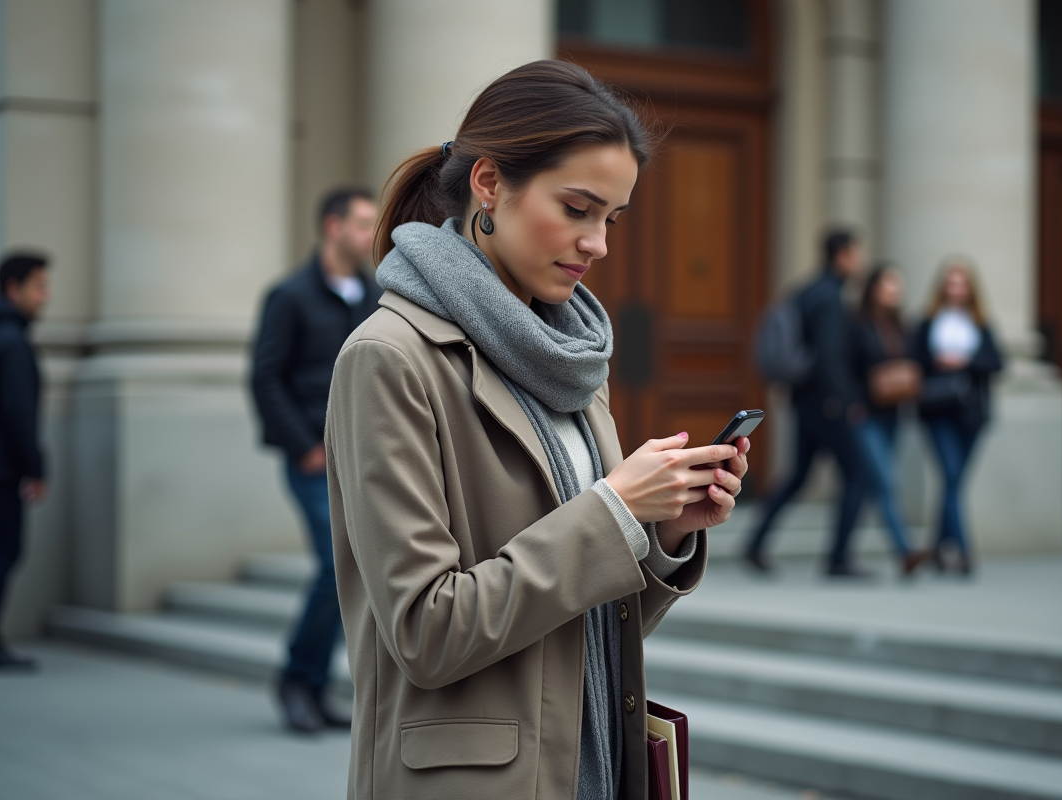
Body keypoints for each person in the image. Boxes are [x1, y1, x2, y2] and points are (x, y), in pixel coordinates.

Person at [325, 60, 750, 799]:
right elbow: (428, 633)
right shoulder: (387, 358)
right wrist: (613, 512)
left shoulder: (570, 361)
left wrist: (662, 535)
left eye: (611, 219)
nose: (598, 244)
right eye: (578, 209)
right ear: (489, 185)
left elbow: (582, 621)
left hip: (590, 765)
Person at [250, 187, 381, 732]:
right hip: (312, 460)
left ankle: (315, 684)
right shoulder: (290, 295)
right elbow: (266, 375)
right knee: (334, 567)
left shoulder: (376, 295)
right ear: (332, 227)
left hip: (365, 459)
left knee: (356, 570)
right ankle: (297, 680)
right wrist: (304, 444)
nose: (372, 236)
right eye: (361, 224)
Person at [743, 229, 868, 577]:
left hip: (805, 401)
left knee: (798, 476)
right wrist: (845, 400)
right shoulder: (829, 298)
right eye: (857, 252)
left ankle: (755, 543)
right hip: (826, 403)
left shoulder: (806, 291)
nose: (860, 260)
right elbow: (829, 357)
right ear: (842, 254)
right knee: (858, 475)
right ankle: (839, 558)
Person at [913, 259, 1003, 575]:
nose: (955, 289)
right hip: (937, 411)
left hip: (971, 414)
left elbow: (996, 363)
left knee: (953, 481)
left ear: (970, 288)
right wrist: (938, 362)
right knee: (951, 476)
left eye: (960, 283)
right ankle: (964, 551)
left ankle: (938, 547)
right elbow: (915, 362)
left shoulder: (980, 323)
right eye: (950, 283)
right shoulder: (927, 323)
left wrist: (964, 360)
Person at [850, 265, 925, 577]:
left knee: (864, 485)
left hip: (894, 413)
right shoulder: (858, 325)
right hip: (865, 415)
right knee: (885, 481)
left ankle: (839, 552)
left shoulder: (903, 327)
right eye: (888, 283)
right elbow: (846, 365)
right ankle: (905, 550)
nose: (895, 289)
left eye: (898, 283)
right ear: (874, 288)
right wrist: (852, 402)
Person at [0, 251, 51, 671]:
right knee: (4, 553)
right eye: (40, 286)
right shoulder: (13, 341)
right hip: (3, 473)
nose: (46, 297)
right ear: (12, 288)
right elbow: (18, 411)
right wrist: (35, 467)